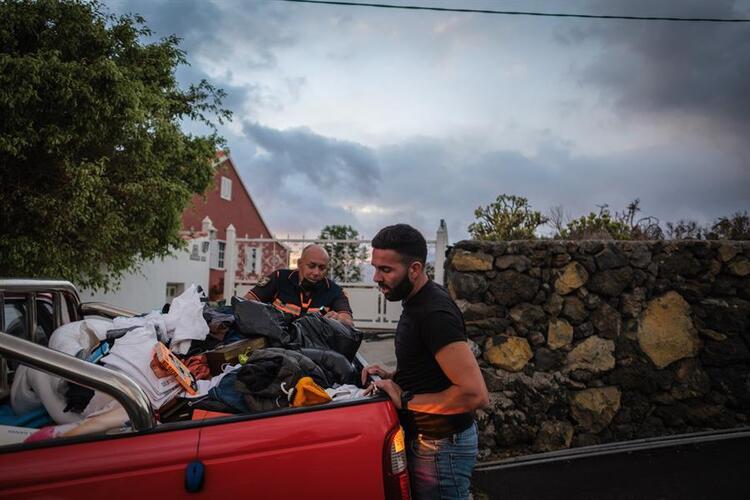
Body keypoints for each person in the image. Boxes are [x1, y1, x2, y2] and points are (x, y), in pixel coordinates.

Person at [362, 224, 489, 500]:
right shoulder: (416, 300)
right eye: (375, 268)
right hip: (432, 444)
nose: (376, 277)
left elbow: (475, 394)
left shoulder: (434, 313)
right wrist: (394, 376)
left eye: (386, 270)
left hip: (440, 448)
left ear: (415, 269)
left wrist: (405, 399)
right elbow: (432, 367)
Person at [244, 244, 354, 326]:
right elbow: (246, 302)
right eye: (311, 266)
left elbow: (348, 321)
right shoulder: (279, 278)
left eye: (322, 268)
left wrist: (338, 319)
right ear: (299, 264)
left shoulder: (335, 291)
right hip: (274, 343)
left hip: (314, 347)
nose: (316, 272)